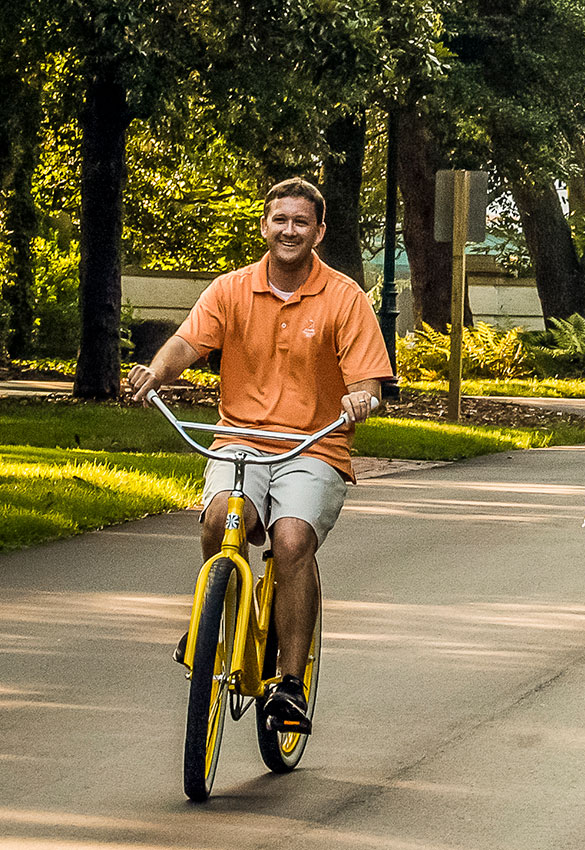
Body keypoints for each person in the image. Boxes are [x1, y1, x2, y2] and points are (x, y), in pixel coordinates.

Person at [128, 177, 393, 734]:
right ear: (264, 226)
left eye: (301, 222)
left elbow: (368, 377)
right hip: (239, 437)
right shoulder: (230, 289)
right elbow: (186, 345)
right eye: (280, 220)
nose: (289, 230)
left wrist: (362, 397)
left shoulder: (345, 297)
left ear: (319, 232)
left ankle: (290, 683)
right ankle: (214, 630)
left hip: (314, 444)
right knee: (221, 515)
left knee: (292, 540)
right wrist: (156, 371)